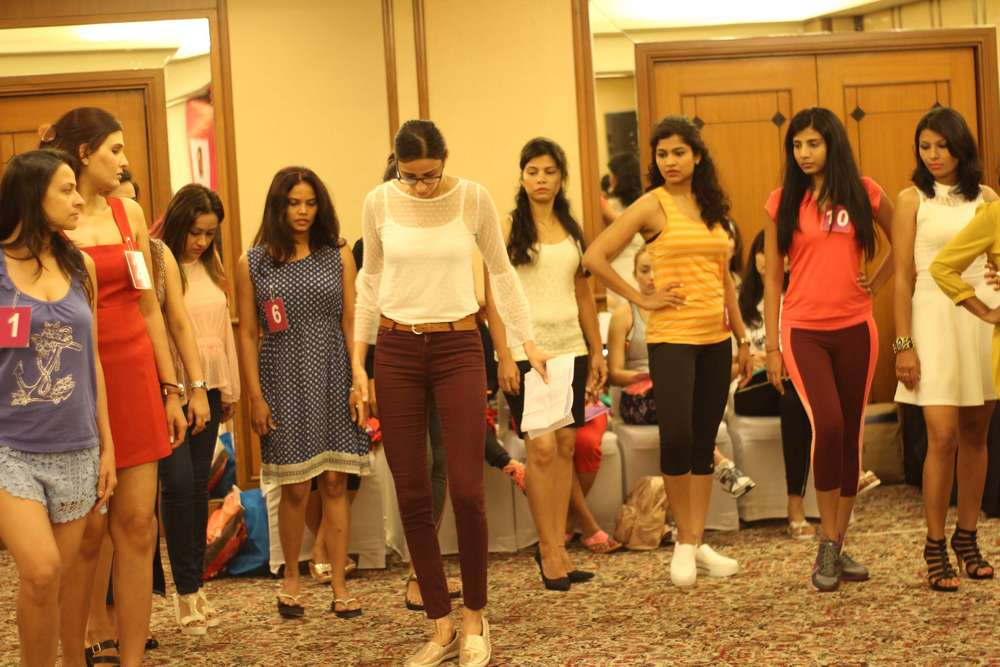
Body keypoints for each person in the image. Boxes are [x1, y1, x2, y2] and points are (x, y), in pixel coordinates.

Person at [353, 119, 547, 667]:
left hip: (459, 345)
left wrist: (527, 340)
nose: (421, 186)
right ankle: (440, 624)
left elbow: (502, 274)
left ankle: (475, 618)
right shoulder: (378, 202)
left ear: (445, 161)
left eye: (430, 175)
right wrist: (358, 363)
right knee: (413, 491)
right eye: (410, 176)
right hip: (396, 348)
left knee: (465, 488)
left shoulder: (473, 198)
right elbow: (369, 283)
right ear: (396, 167)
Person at [42, 107, 191, 667]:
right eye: (115, 149)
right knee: (85, 532)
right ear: (85, 154)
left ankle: (132, 658)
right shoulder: (51, 219)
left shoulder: (129, 213)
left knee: (138, 525)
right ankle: (77, 643)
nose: (124, 162)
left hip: (133, 377)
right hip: (75, 381)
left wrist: (172, 387)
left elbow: (150, 307)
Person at [584, 116, 753, 588]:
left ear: (697, 155)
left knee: (703, 441)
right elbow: (594, 257)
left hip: (716, 339)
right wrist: (642, 299)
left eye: (679, 152)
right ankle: (683, 542)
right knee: (677, 438)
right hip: (672, 338)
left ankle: (696, 541)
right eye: (662, 154)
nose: (670, 161)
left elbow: (726, 282)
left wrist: (743, 339)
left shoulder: (714, 207)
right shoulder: (651, 204)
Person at [763, 107, 894, 592]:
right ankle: (825, 540)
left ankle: (837, 544)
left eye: (813, 143)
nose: (804, 153)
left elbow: (904, 241)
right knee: (829, 424)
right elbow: (772, 278)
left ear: (832, 143)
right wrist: (772, 346)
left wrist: (875, 281)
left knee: (851, 433)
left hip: (856, 327)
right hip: (803, 331)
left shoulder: (864, 191)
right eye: (797, 145)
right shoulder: (782, 201)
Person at [236, 166, 370, 620]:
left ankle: (339, 584)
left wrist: (358, 376)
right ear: (278, 206)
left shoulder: (338, 253)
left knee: (335, 482)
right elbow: (248, 333)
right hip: (282, 377)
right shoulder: (254, 262)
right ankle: (291, 578)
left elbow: (351, 319)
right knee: (294, 487)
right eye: (293, 203)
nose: (303, 212)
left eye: (310, 203)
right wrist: (255, 397)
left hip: (334, 370)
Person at [0, 149, 116, 666]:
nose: (78, 199)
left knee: (56, 583)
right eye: (66, 189)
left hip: (77, 447)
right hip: (9, 448)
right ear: (32, 194)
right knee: (42, 570)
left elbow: (93, 362)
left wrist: (107, 446)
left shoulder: (80, 266)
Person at [486, 137, 606, 590]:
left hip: (570, 347)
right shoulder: (508, 226)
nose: (541, 179)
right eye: (532, 171)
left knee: (566, 446)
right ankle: (547, 549)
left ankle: (559, 545)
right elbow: (494, 297)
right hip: (526, 351)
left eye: (549, 172)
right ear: (522, 177)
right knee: (540, 449)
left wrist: (596, 349)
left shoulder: (571, 228)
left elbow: (582, 294)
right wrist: (503, 354)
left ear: (561, 178)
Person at [154, 184, 241, 626]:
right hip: (170, 389)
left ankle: (195, 587)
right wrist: (183, 388)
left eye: (209, 233)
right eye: (195, 232)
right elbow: (164, 331)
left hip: (209, 390)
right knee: (178, 485)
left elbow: (223, 332)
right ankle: (184, 590)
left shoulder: (212, 265)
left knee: (197, 488)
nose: (202, 241)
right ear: (178, 225)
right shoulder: (161, 266)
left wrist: (228, 391)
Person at [921, 111, 1000, 590]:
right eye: (925, 146)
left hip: (979, 314)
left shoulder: (987, 199)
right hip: (931, 316)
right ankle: (934, 543)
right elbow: (905, 278)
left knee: (976, 432)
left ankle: (966, 537)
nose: (933, 155)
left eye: (942, 146)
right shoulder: (913, 198)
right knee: (942, 434)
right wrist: (903, 344)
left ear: (961, 147)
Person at [607, 245, 755, 500]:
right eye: (644, 270)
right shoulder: (624, 315)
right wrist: (647, 378)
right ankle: (719, 462)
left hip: (678, 387)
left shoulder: (680, 310)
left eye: (656, 270)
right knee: (677, 396)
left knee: (698, 388)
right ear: (635, 274)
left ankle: (710, 469)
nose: (651, 277)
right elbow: (615, 374)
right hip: (639, 398)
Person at [732, 230, 815, 539]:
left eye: (779, 252)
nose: (769, 259)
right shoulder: (738, 302)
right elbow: (722, 364)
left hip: (791, 387)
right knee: (797, 395)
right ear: (754, 257)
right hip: (750, 389)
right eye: (762, 251)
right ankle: (850, 468)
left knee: (794, 400)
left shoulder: (800, 300)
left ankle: (795, 507)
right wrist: (750, 362)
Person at [601, 152, 644, 309]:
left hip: (628, 271)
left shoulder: (609, 208)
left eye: (612, 173)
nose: (610, 178)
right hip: (628, 272)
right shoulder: (642, 205)